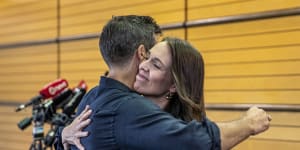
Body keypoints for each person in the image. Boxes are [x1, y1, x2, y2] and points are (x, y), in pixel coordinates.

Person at [57, 15, 271, 150]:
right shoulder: (125, 107)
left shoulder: (112, 102)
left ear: (173, 85)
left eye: (156, 64)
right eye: (148, 57)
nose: (144, 66)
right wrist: (248, 123)